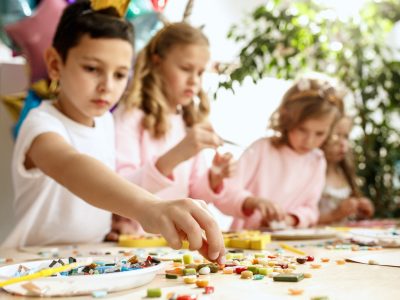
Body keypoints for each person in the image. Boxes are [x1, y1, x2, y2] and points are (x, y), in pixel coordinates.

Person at [2, 1, 225, 264]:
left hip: (91, 259)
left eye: (120, 75)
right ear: (54, 63)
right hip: (29, 264)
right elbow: (72, 165)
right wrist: (150, 207)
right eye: (92, 69)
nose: (107, 86)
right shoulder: (39, 123)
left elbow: (111, 186)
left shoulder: (106, 122)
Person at [108, 22, 236, 239]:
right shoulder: (130, 117)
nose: (194, 80)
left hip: (174, 243)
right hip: (134, 242)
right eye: (186, 69)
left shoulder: (186, 122)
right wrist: (178, 154)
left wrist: (214, 176)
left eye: (200, 72)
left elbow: (195, 195)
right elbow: (117, 190)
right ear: (157, 63)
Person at [214, 76, 345, 230]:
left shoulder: (317, 161)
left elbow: (310, 209)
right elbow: (225, 193)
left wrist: (291, 219)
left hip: (290, 244)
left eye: (320, 133)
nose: (309, 141)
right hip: (247, 243)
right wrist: (252, 202)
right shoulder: (262, 149)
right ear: (286, 119)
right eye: (302, 129)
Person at [318, 116, 374, 224]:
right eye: (336, 135)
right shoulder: (311, 173)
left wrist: (359, 210)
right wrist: (335, 214)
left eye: (346, 136)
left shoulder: (344, 171)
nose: (343, 144)